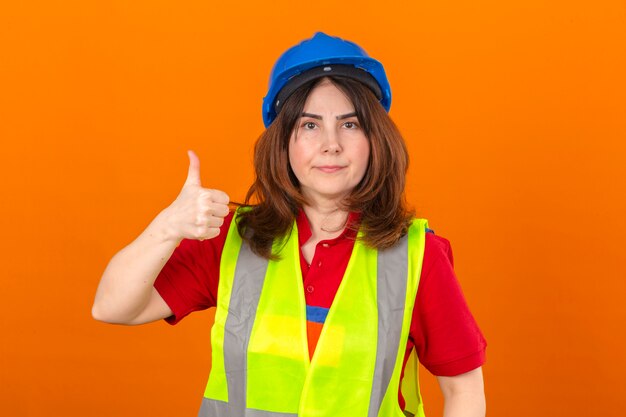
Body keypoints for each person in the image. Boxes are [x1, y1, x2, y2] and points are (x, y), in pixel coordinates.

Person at [93, 32, 487, 417]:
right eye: (309, 125)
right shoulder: (232, 240)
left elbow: (464, 391)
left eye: (350, 125)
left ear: (375, 140)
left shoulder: (417, 257)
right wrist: (168, 228)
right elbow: (112, 307)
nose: (331, 143)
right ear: (283, 143)